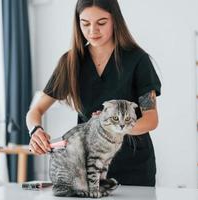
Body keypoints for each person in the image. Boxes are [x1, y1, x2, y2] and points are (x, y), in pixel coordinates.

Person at [26, 0, 161, 186]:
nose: (92, 31)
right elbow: (36, 110)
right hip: (86, 170)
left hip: (133, 168)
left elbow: (151, 119)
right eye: (85, 23)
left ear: (115, 20)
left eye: (101, 23)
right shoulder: (70, 62)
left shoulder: (138, 60)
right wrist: (35, 130)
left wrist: (111, 126)